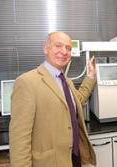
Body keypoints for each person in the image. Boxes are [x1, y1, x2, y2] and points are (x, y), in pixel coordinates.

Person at [9, 32, 96, 167]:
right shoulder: (27, 82)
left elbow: (78, 101)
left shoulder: (66, 81)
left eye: (68, 48)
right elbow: (19, 139)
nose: (64, 51)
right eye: (58, 46)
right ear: (46, 48)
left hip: (73, 158)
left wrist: (91, 75)